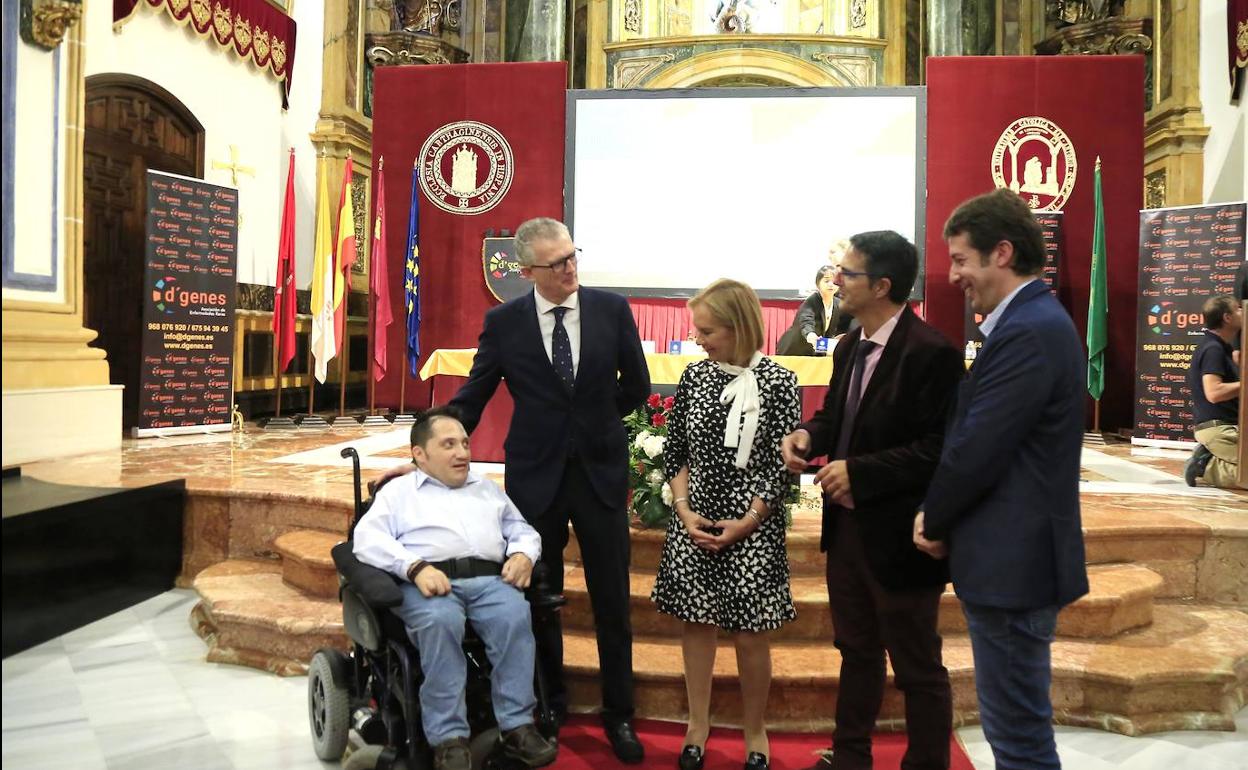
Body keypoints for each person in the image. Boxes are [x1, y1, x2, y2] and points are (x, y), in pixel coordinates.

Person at [452, 217, 650, 762]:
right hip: (535, 479)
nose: (570, 268)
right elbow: (476, 392)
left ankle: (620, 714)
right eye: (557, 263)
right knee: (539, 600)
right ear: (527, 271)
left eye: (572, 256)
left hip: (599, 474)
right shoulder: (504, 322)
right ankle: (549, 704)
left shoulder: (611, 309)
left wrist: (594, 426)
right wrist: (435, 442)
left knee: (612, 600)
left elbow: (634, 385)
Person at [914, 188, 1089, 770]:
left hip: (1014, 561)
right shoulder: (1028, 322)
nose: (955, 275)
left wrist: (933, 517)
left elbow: (979, 447)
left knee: (1018, 739)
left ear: (1003, 253)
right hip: (1011, 555)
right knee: (1015, 729)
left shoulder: (1030, 329)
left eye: (962, 259)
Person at [779, 231, 963, 770]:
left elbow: (939, 449)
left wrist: (858, 472)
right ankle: (851, 756)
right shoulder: (848, 344)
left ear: (882, 285)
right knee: (855, 652)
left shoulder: (933, 353)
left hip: (902, 534)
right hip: (849, 530)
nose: (837, 280)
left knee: (917, 665)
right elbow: (835, 415)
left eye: (848, 273)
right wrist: (808, 436)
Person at [353, 407, 558, 770]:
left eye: (465, 443)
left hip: (490, 580)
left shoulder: (486, 489)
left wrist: (525, 555)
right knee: (441, 622)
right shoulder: (398, 494)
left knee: (514, 615)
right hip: (429, 583)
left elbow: (521, 530)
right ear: (420, 453)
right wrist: (413, 567)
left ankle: (517, 726)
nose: (462, 453)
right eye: (448, 445)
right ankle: (448, 737)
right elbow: (366, 540)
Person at [652, 278, 799, 770]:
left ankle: (754, 729)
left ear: (738, 327)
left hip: (752, 526)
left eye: (707, 329)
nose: (698, 338)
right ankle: (698, 722)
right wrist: (682, 508)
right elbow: (676, 453)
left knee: (751, 633)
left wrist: (747, 521)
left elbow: (780, 471)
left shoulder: (779, 382)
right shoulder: (694, 378)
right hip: (693, 519)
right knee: (696, 624)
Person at [1184, 295, 1244, 489]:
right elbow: (1214, 392)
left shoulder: (1222, 349)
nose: (1243, 311)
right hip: (1219, 430)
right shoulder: (1213, 349)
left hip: (1227, 427)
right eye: (1238, 309)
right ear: (1227, 317)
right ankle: (1205, 465)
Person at [777, 264, 855, 356]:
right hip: (794, 350)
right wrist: (810, 335)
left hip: (816, 351)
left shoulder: (838, 303)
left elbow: (848, 322)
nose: (831, 284)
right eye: (826, 281)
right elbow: (806, 321)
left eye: (834, 281)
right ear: (818, 284)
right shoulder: (812, 301)